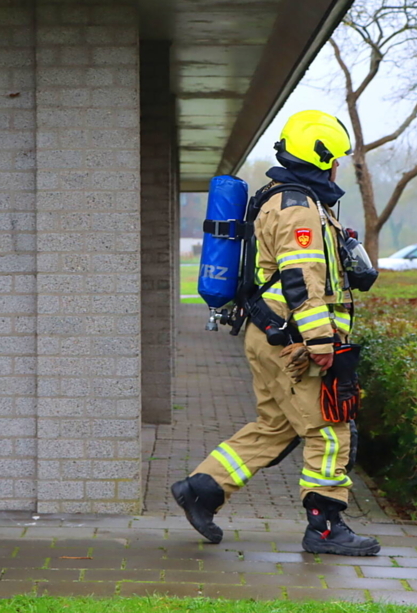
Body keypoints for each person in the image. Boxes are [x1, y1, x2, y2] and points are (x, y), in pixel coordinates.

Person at [171, 110, 380, 556]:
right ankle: (326, 529)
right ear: (320, 156)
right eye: (335, 157)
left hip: (270, 336)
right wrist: (322, 343)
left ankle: (202, 489)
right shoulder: (298, 208)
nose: (338, 165)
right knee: (329, 429)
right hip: (295, 343)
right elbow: (301, 279)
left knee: (277, 426)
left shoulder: (287, 198)